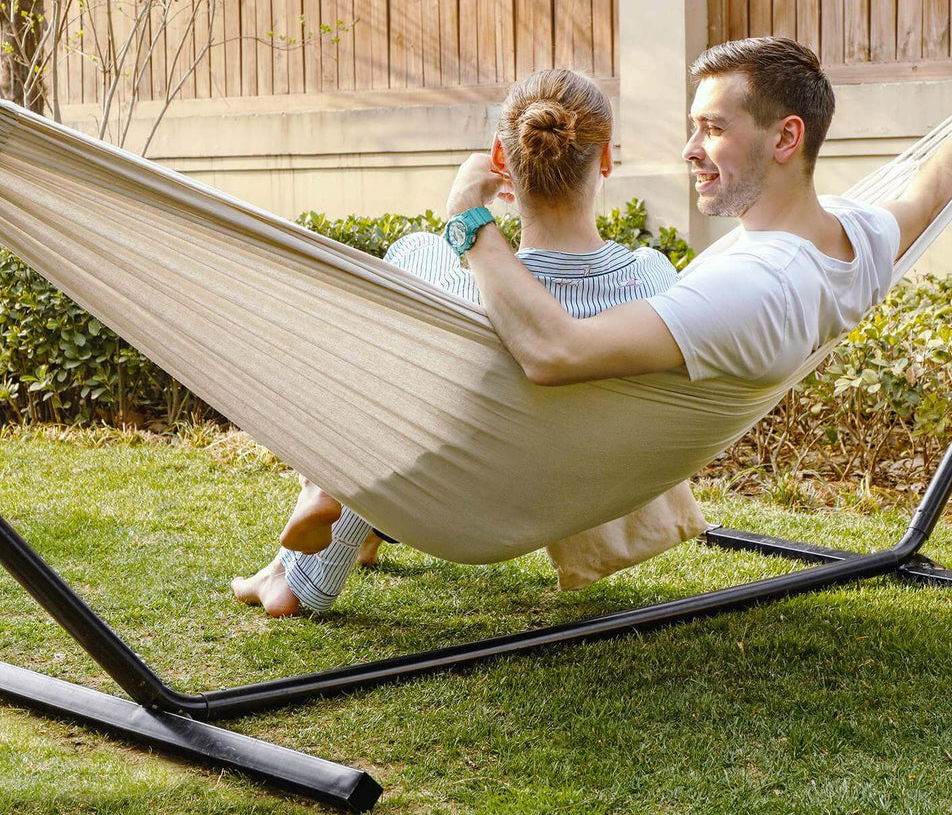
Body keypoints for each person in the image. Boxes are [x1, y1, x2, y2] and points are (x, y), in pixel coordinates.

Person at [232, 68, 702, 617]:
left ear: (502, 161)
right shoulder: (652, 278)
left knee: (381, 377)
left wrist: (464, 214)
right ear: (605, 161)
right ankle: (343, 520)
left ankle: (320, 505)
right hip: (581, 488)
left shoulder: (432, 265)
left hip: (452, 493)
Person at [438, 36, 952, 392]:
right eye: (695, 126)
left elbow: (555, 353)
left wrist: (468, 219)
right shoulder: (855, 236)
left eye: (713, 129)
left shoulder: (750, 289)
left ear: (785, 138)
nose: (690, 150)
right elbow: (921, 202)